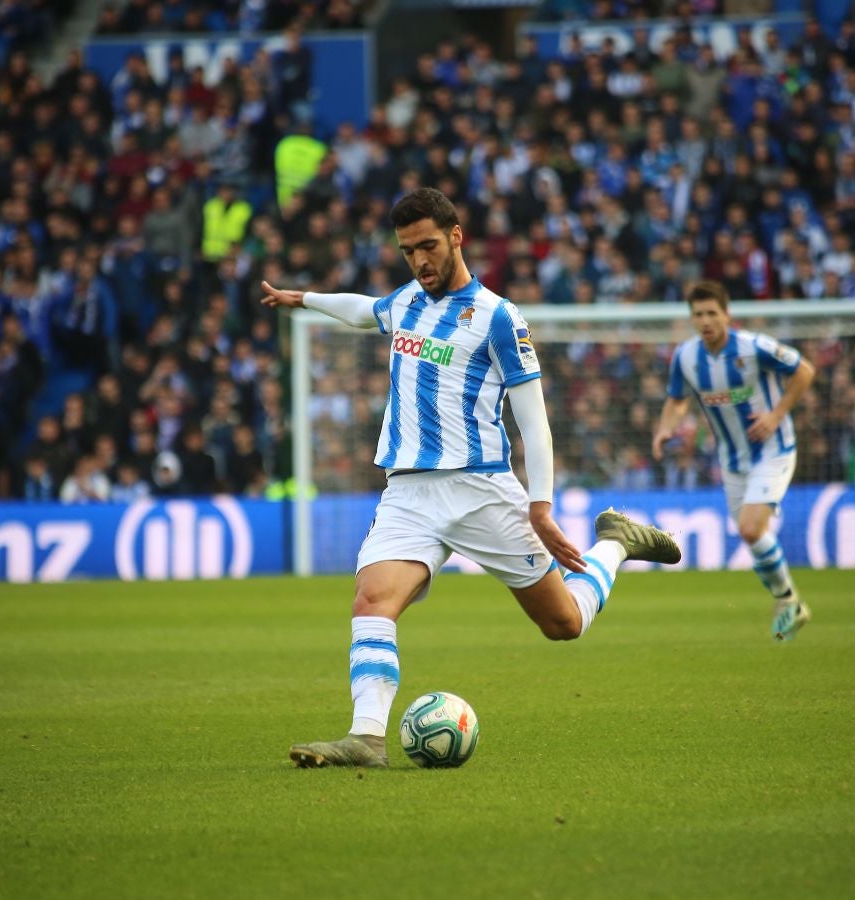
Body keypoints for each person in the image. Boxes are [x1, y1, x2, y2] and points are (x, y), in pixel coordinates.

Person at [262, 187, 680, 769]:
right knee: (371, 601)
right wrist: (302, 298)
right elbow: (364, 311)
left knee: (563, 624)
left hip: (481, 490)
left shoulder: (500, 319)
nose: (420, 261)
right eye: (408, 251)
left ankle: (616, 542)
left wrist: (540, 507)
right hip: (407, 491)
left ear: (456, 236)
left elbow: (535, 424)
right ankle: (366, 738)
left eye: (428, 246)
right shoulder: (405, 301)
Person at [651, 281, 816, 641]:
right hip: (733, 460)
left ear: (727, 314)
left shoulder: (754, 347)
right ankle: (786, 600)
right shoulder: (686, 357)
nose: (706, 320)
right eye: (698, 314)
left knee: (750, 529)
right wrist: (665, 429)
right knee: (752, 535)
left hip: (774, 449)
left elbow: (805, 370)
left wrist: (775, 415)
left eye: (712, 313)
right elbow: (678, 400)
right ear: (691, 319)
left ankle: (789, 601)